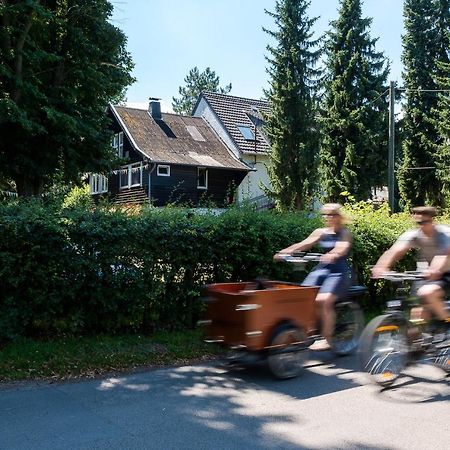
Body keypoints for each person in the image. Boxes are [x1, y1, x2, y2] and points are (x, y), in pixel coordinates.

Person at [274, 203, 352, 351]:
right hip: (321, 269)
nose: (328, 218)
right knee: (302, 296)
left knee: (323, 300)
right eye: (325, 215)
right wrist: (284, 252)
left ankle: (327, 339)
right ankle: (307, 331)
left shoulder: (344, 232)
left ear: (338, 217)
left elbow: (342, 247)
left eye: (332, 214)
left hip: (338, 272)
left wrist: (333, 254)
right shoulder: (321, 231)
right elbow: (304, 244)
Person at [372, 206, 450, 340]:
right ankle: (417, 347)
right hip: (429, 273)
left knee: (427, 292)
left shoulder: (444, 234)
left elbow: (444, 255)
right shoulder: (415, 234)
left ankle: (447, 324)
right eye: (417, 223)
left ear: (432, 221)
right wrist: (381, 267)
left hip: (446, 272)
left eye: (423, 222)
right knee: (417, 312)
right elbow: (395, 250)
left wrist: (434, 269)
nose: (420, 226)